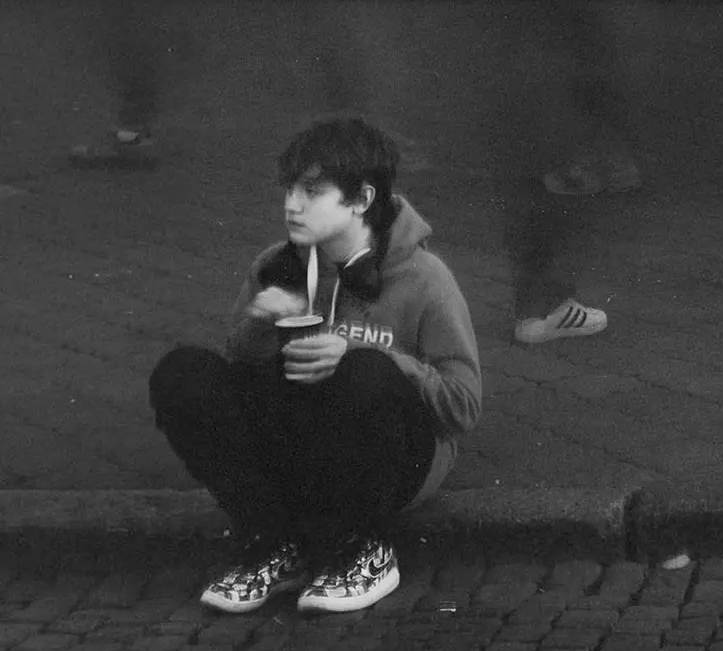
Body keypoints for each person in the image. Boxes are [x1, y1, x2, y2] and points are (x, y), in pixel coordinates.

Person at [148, 118, 482, 614]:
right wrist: (260, 325)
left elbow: (463, 406)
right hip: (302, 451)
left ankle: (362, 549)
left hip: (392, 461)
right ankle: (272, 541)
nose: (291, 204)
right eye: (289, 189)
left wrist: (376, 360)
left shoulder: (424, 278)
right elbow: (236, 379)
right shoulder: (276, 265)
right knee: (183, 373)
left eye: (311, 191)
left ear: (361, 199)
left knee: (362, 375)